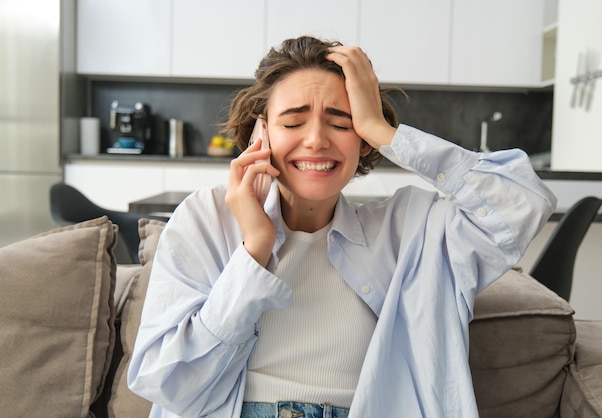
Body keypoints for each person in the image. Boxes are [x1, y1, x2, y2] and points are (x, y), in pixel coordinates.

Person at [128, 36, 556, 418]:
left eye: (341, 122)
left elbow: (524, 204)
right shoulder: (206, 219)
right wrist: (254, 250)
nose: (316, 139)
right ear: (261, 134)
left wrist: (388, 134)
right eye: (293, 122)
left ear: (363, 140)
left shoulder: (412, 230)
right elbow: (165, 382)